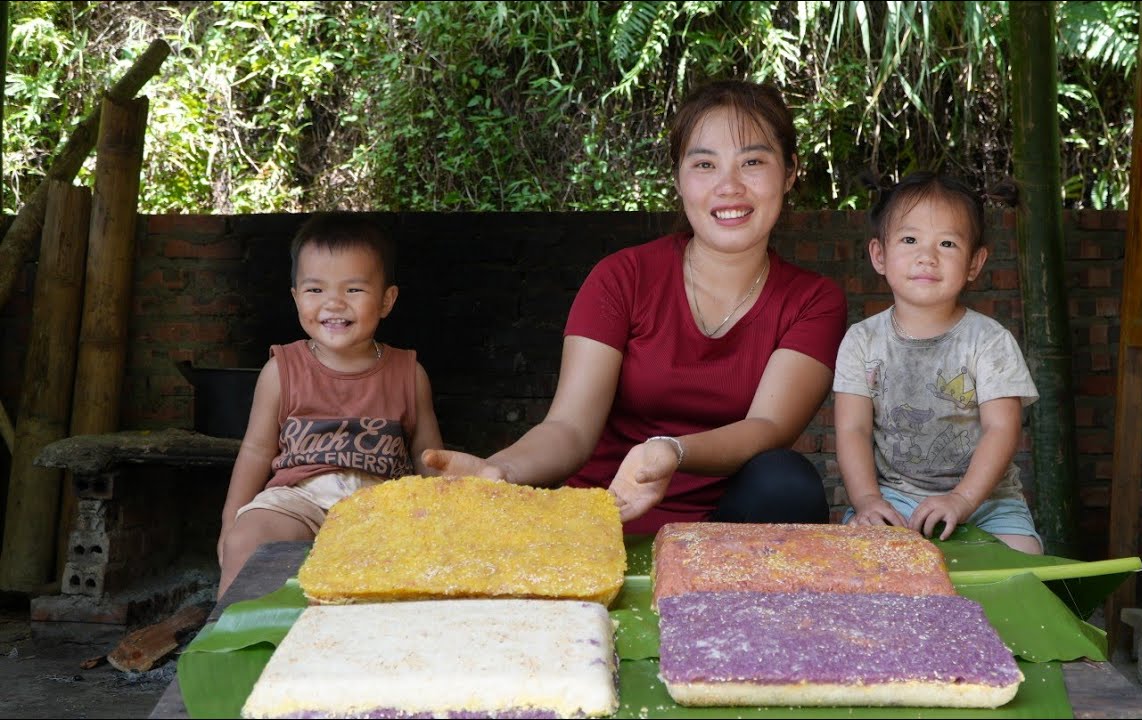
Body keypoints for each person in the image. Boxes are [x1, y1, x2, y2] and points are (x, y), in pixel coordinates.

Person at [422, 80, 847, 534]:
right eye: (704, 163)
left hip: (725, 533)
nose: (729, 186)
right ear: (679, 177)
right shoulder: (623, 277)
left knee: (788, 483)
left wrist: (671, 450)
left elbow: (768, 426)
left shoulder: (813, 300)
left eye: (753, 162)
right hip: (608, 511)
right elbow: (569, 426)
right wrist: (502, 470)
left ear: (789, 171)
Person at [216, 213, 443, 597]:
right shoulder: (280, 370)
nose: (333, 303)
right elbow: (256, 451)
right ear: (295, 297)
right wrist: (230, 524)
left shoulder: (409, 372)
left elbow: (429, 455)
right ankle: (235, 644)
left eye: (354, 290)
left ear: (386, 300)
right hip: (297, 497)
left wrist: (440, 514)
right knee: (249, 536)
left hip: (379, 503)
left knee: (415, 554)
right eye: (315, 290)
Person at [833, 172, 1043, 554]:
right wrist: (867, 500)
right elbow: (853, 430)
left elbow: (1002, 428)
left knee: (1024, 556)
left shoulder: (990, 341)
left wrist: (962, 500)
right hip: (894, 498)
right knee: (858, 558)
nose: (926, 256)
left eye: (947, 243)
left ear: (974, 263)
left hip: (986, 502)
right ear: (879, 255)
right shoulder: (862, 341)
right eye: (910, 240)